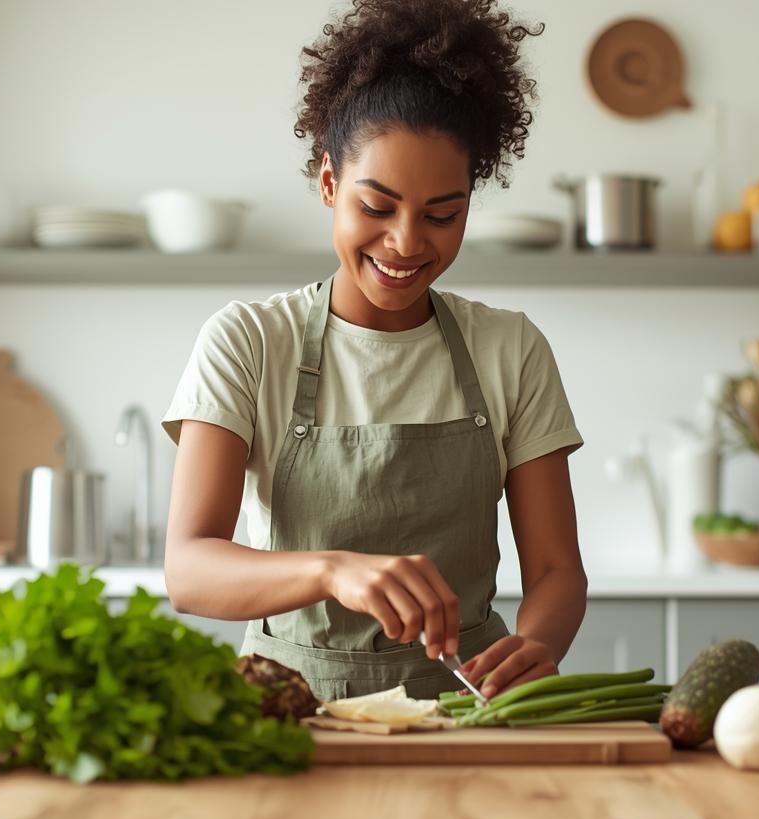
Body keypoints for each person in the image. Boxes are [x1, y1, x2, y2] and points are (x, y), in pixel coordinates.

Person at [161, 0, 585, 702]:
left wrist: (536, 646)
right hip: (294, 713)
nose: (408, 242)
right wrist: (332, 571)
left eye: (442, 214)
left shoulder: (510, 348)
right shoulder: (248, 342)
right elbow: (189, 570)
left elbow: (555, 573)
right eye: (377, 207)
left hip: (469, 706)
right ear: (329, 184)